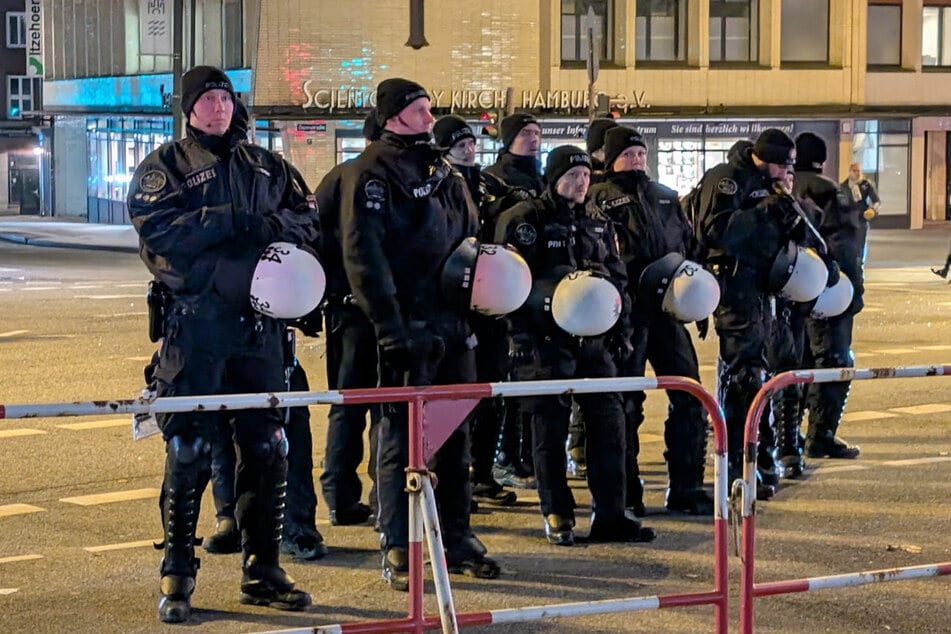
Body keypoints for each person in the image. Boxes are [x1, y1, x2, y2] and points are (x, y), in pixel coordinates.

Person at [127, 65, 315, 622]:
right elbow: (158, 232)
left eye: (225, 97)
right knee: (187, 448)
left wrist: (272, 229)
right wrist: (227, 221)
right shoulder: (167, 167)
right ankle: (178, 574)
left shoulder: (267, 165)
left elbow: (307, 219)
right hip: (197, 325)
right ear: (188, 109)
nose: (218, 107)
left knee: (268, 445)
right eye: (207, 99)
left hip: (260, 329)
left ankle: (264, 569)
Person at [339, 78, 500, 591]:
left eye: (430, 108)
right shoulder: (373, 173)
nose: (431, 118)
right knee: (401, 438)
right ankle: (398, 541)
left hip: (454, 324)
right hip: (407, 327)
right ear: (394, 117)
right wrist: (390, 327)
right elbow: (365, 256)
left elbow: (469, 235)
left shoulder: (441, 168)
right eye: (420, 110)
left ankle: (456, 532)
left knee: (455, 437)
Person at [496, 144, 656, 546]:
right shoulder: (525, 220)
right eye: (572, 176)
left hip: (596, 341)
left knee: (609, 426)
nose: (581, 183)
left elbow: (617, 276)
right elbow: (507, 282)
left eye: (585, 176)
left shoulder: (598, 221)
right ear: (553, 178)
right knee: (548, 430)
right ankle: (558, 513)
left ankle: (611, 514)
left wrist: (621, 326)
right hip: (544, 341)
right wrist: (520, 335)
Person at [693, 128, 832, 499]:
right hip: (735, 288)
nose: (787, 173)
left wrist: (816, 253)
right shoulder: (727, 180)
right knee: (744, 378)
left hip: (767, 289)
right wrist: (763, 212)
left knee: (766, 376)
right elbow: (715, 231)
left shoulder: (770, 186)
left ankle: (763, 458)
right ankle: (740, 464)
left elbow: (801, 231)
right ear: (765, 160)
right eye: (784, 166)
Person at [589, 126, 714, 515]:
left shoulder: (664, 197)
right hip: (625, 315)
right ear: (611, 159)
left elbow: (689, 248)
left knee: (690, 395)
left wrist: (699, 297)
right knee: (626, 405)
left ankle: (687, 485)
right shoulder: (599, 200)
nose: (637, 161)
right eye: (628, 154)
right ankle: (627, 494)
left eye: (641, 154)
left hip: (667, 313)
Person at [433, 114, 520, 509]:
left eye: (471, 143)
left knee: (490, 392)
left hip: (492, 303)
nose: (469, 149)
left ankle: (482, 473)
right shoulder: (435, 184)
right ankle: (447, 479)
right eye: (459, 144)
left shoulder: (490, 185)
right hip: (451, 305)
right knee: (452, 396)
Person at [312, 114, 381, 528]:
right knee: (355, 404)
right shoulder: (347, 179)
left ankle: (345, 496)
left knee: (353, 404)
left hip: (348, 308)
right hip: (351, 311)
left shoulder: (341, 178)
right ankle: (345, 494)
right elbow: (316, 237)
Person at [484, 113, 546, 489]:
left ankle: (525, 455)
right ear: (508, 139)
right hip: (510, 291)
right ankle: (506, 457)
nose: (533, 139)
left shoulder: (542, 178)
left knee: (534, 380)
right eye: (525, 133)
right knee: (511, 381)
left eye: (537, 133)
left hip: (543, 292)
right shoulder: (497, 179)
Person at [795, 133, 863, 460]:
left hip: (789, 294)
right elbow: (847, 248)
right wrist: (854, 294)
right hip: (828, 293)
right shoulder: (831, 192)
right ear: (822, 160)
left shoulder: (783, 187)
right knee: (835, 361)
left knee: (793, 362)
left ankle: (787, 435)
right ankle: (820, 434)